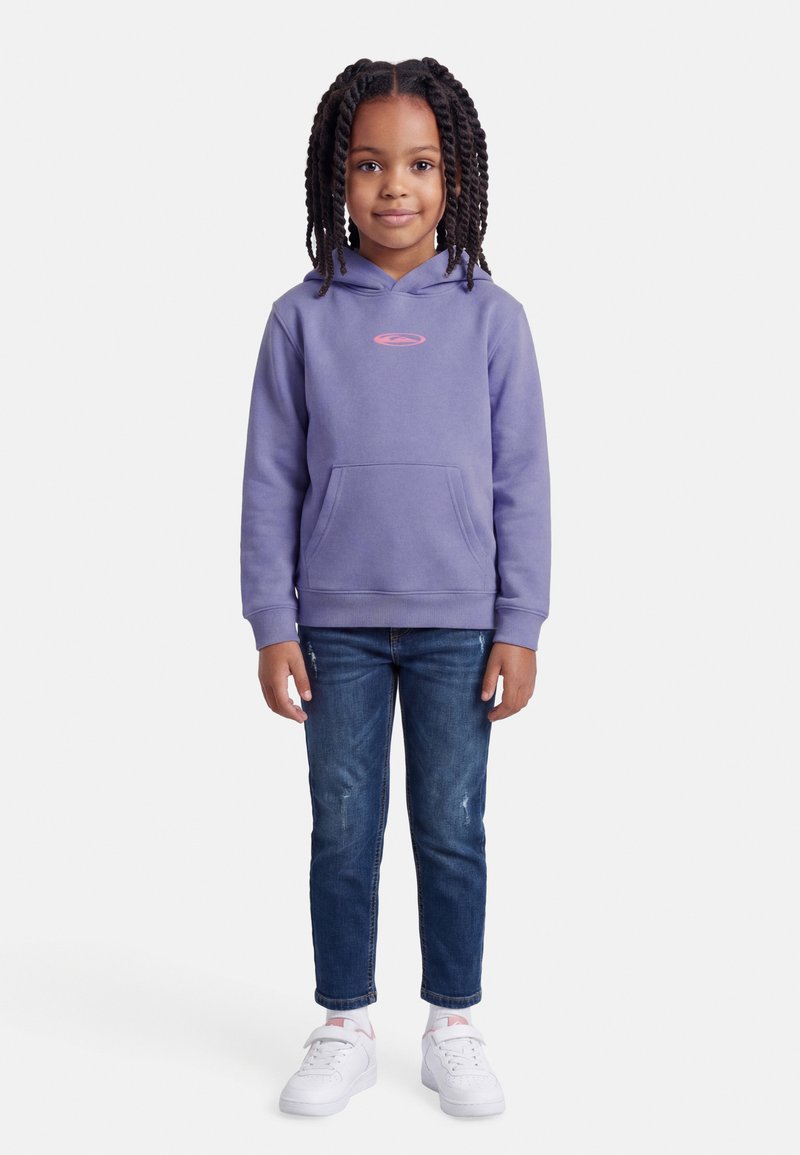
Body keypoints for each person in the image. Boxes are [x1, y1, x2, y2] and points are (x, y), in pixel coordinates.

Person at [239, 56, 551, 1118]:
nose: (394, 187)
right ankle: (343, 1023)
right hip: (334, 625)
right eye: (369, 164)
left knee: (451, 827)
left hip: (461, 625)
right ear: (338, 176)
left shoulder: (492, 320)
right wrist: (271, 622)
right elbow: (270, 478)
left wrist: (520, 623)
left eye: (418, 164)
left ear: (453, 176)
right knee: (342, 827)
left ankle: (452, 1023)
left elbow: (521, 481)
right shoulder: (301, 318)